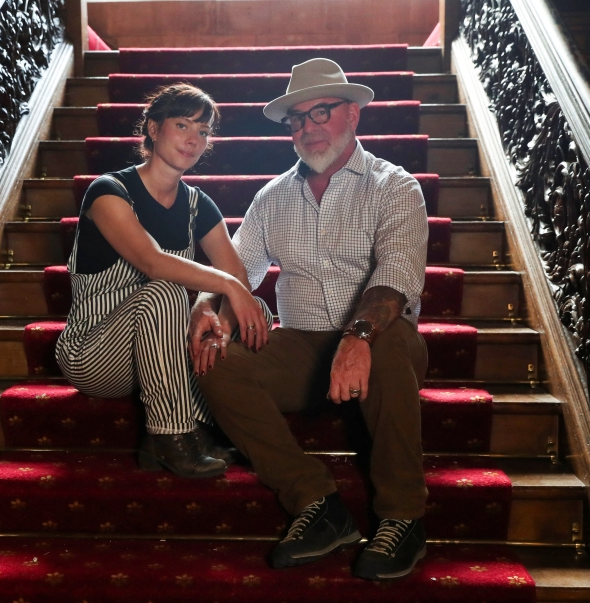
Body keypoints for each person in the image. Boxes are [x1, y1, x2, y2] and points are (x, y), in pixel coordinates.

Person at [191, 59, 430, 580]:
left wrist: (357, 336)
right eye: (296, 119)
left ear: (352, 114)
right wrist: (207, 303)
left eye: (320, 112)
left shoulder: (395, 186)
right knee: (216, 360)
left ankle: (403, 516)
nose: (307, 127)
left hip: (382, 340)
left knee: (389, 340)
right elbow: (236, 270)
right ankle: (318, 504)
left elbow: (397, 275)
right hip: (300, 345)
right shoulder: (272, 197)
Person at [55, 84, 270, 480]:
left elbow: (237, 275)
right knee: (165, 291)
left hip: (159, 350)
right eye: (182, 125)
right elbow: (153, 263)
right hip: (96, 353)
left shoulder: (198, 204)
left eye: (203, 131)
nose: (194, 139)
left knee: (257, 312)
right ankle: (171, 436)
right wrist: (228, 288)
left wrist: (216, 320)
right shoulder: (109, 192)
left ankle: (198, 427)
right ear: (153, 129)